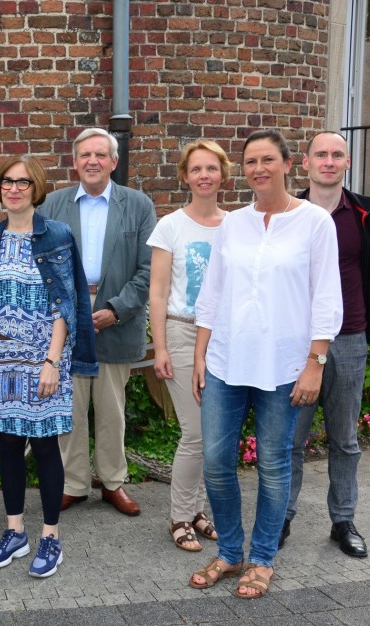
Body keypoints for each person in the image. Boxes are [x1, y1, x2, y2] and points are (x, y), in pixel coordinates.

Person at [189, 129, 342, 599]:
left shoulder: (315, 222)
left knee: (274, 465)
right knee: (216, 463)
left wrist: (315, 363)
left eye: (268, 160)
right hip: (225, 362)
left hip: (283, 367)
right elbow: (212, 293)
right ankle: (231, 552)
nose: (259, 168)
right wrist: (199, 355)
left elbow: (326, 298)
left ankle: (262, 559)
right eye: (251, 161)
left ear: (287, 164)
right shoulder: (234, 224)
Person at [0, 156, 96, 578]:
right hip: (0, 365)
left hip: (44, 363)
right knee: (8, 444)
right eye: (7, 182)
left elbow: (67, 304)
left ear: (36, 188)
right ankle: (15, 532)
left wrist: (53, 361)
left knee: (44, 446)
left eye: (22, 182)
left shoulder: (57, 236)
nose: (14, 189)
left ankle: (51, 537)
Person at [37, 128, 156, 516]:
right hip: (65, 315)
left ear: (114, 162)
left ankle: (112, 482)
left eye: (101, 155)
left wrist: (117, 309)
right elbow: (40, 263)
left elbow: (148, 267)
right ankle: (73, 483)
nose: (93, 161)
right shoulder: (52, 205)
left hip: (115, 314)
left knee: (111, 408)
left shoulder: (137, 205)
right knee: (70, 406)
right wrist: (66, 310)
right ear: (74, 162)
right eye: (85, 155)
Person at [281, 131, 370, 558]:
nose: (328, 161)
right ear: (305, 162)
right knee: (290, 438)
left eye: (336, 155)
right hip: (296, 343)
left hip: (349, 338)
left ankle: (343, 520)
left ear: (346, 162)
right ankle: (281, 517)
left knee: (344, 438)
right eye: (320, 154)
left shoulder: (364, 213)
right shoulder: (290, 213)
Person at [147, 140, 230, 552]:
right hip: (181, 332)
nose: (203, 176)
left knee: (212, 432)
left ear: (222, 175)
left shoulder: (236, 225)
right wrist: (159, 347)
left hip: (223, 338)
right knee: (194, 432)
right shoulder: (171, 226)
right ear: (184, 176)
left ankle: (197, 511)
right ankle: (180, 516)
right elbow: (158, 293)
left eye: (211, 168)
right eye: (196, 169)